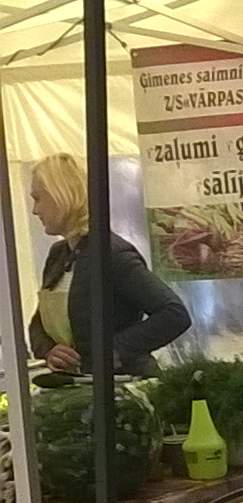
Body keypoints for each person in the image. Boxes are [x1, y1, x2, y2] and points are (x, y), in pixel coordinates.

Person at [27, 152, 191, 377]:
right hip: (81, 385)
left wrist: (111, 352)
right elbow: (38, 323)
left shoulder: (111, 254)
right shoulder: (58, 254)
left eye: (38, 198)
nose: (35, 210)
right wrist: (49, 350)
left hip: (121, 386)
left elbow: (174, 314)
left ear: (61, 195)